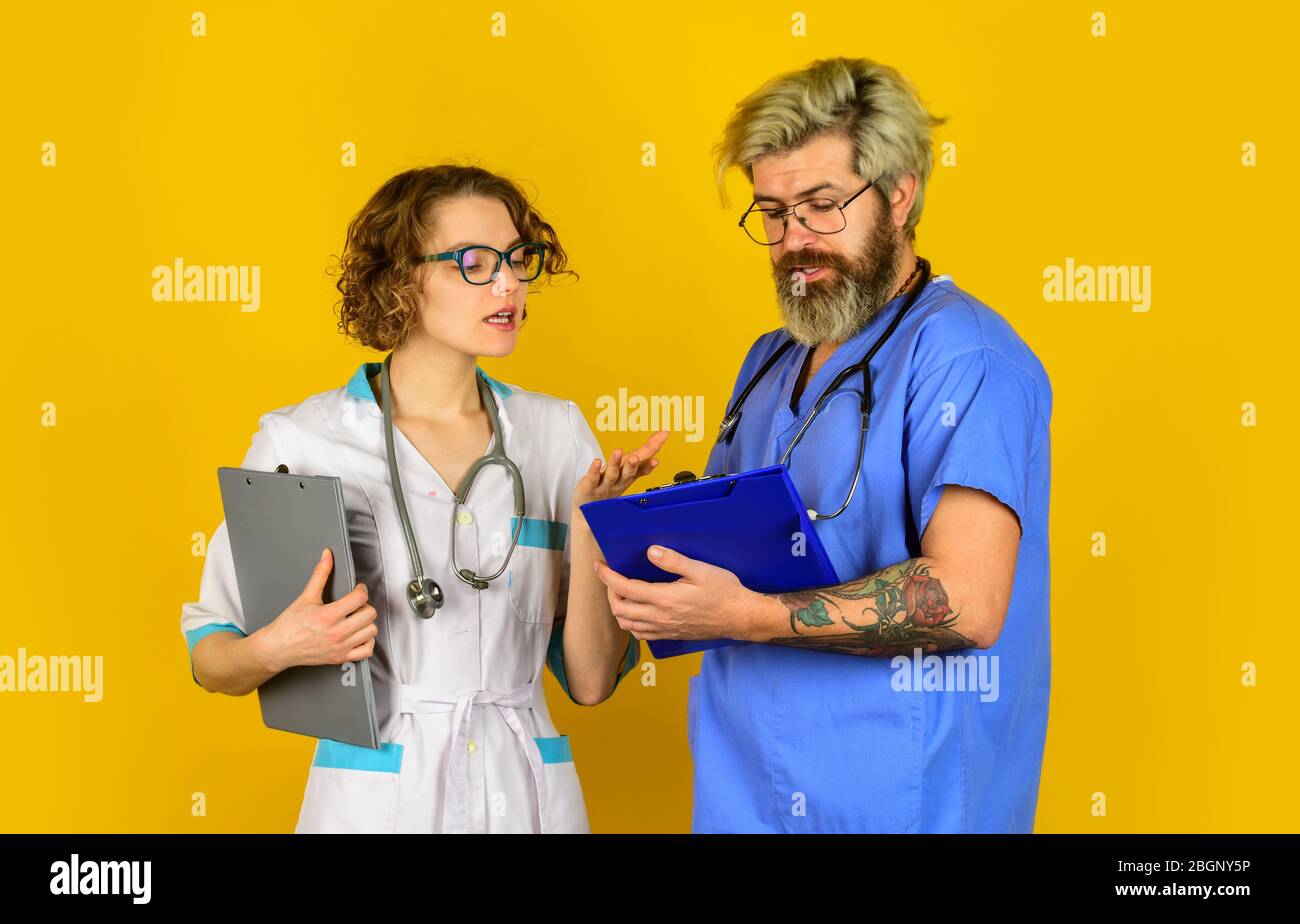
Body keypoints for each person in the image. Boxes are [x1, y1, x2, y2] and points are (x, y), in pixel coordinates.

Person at [593, 57, 1053, 833]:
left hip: (900, 797)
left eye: (821, 205)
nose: (793, 242)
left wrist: (752, 617)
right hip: (745, 788)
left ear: (900, 193)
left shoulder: (966, 356)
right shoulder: (770, 358)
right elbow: (738, 556)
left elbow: (966, 602)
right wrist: (643, 543)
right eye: (772, 213)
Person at [180, 164, 668, 833]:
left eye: (518, 260)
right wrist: (282, 646)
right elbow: (213, 660)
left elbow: (589, 684)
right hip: (379, 799)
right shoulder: (304, 441)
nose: (509, 284)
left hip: (526, 793)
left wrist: (592, 522)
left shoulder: (556, 436)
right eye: (474, 262)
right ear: (403, 277)